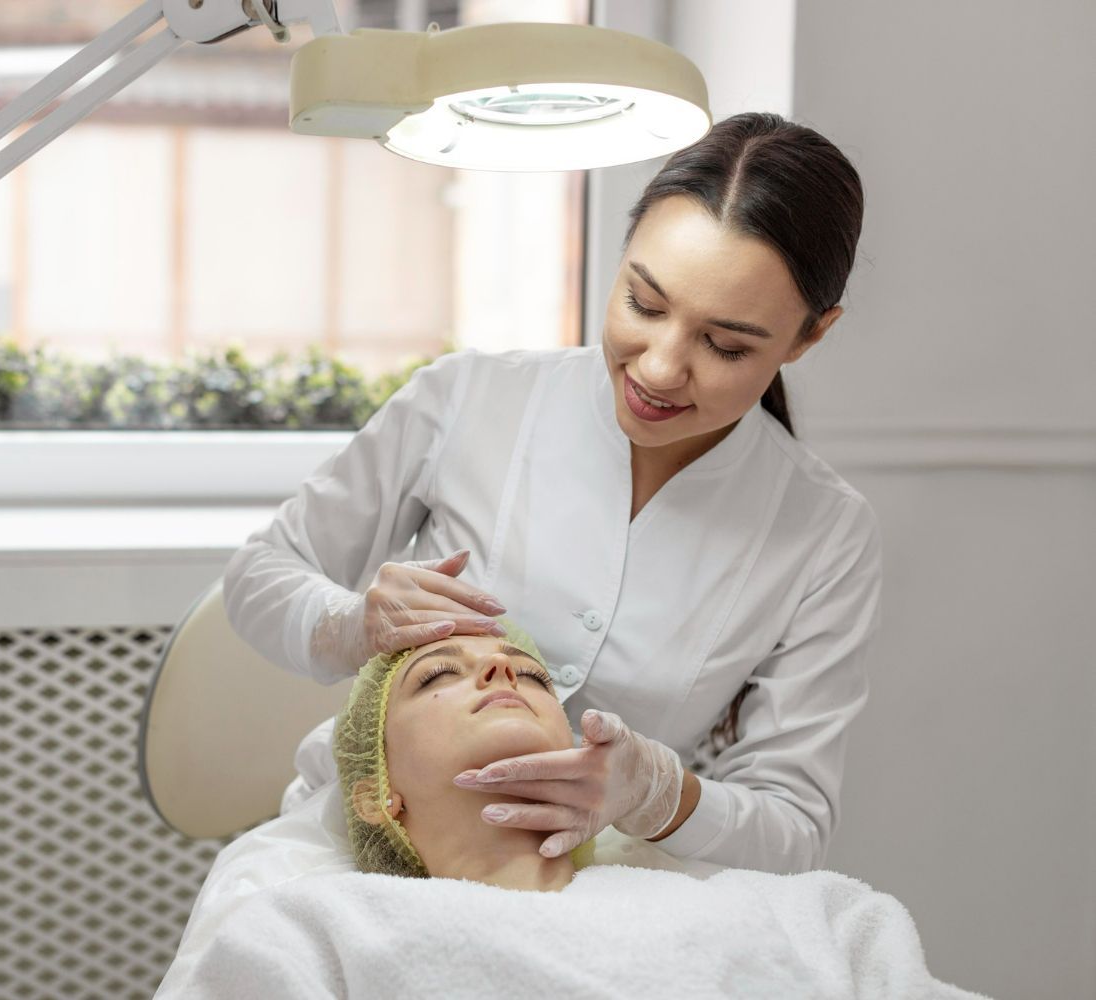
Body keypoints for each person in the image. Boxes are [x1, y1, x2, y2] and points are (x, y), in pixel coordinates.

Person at [223, 111, 882, 875]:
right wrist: (354, 624)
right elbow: (258, 577)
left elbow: (793, 825)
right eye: (644, 304)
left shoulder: (824, 533)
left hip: (608, 889)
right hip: (372, 853)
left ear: (808, 336)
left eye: (726, 345)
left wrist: (657, 794)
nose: (662, 369)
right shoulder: (468, 398)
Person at [335, 621, 685, 891]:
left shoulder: (689, 910)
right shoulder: (335, 930)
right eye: (438, 674)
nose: (502, 664)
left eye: (533, 676)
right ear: (373, 798)